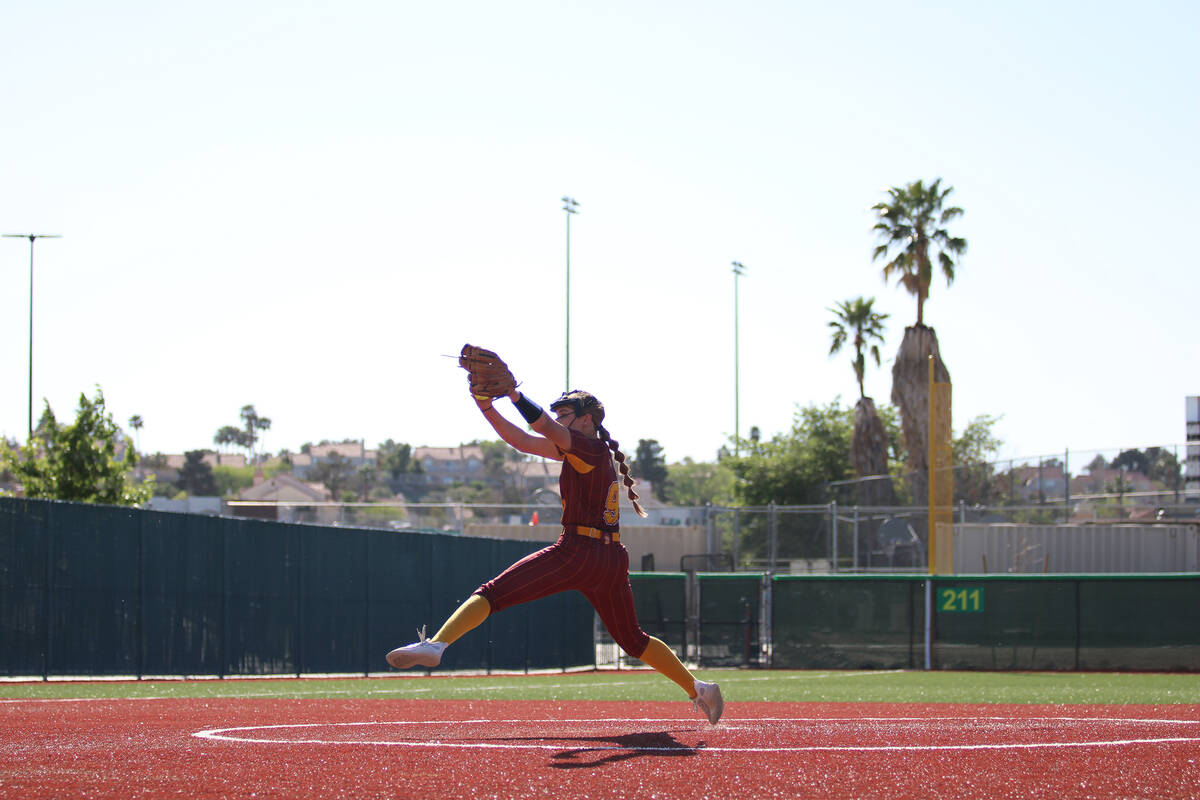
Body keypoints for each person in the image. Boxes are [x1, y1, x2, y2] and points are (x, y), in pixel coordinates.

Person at [386, 386, 724, 724]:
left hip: (577, 552)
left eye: (566, 414)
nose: (559, 419)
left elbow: (542, 427)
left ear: (587, 419)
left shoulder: (588, 448)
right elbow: (521, 440)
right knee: (634, 641)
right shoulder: (587, 450)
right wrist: (486, 406)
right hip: (609, 558)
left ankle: (437, 645)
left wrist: (513, 395)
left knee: (492, 593)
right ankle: (700, 689)